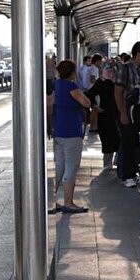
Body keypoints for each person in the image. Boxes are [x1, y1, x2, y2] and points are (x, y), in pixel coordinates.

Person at [51, 59, 91, 214]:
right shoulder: (71, 87)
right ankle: (68, 202)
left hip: (59, 131)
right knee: (71, 168)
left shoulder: (57, 85)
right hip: (71, 132)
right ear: (72, 73)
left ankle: (57, 201)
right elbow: (86, 102)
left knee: (59, 167)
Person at [115, 41, 140, 188]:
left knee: (136, 142)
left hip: (137, 113)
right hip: (126, 112)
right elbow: (118, 92)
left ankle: (132, 173)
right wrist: (122, 113)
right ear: (138, 54)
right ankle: (125, 174)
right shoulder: (125, 69)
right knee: (127, 143)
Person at [88, 56, 119, 169]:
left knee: (117, 139)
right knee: (107, 140)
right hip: (106, 115)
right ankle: (108, 163)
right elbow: (90, 94)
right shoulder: (102, 83)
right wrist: (95, 106)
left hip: (116, 114)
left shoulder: (117, 82)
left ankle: (116, 161)